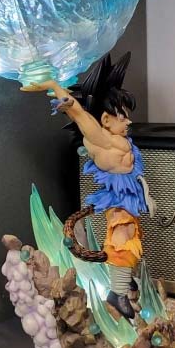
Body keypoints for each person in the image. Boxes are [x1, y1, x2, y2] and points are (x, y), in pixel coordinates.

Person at [21, 53, 155, 319]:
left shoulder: (121, 140)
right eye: (122, 116)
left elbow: (135, 173)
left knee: (132, 237)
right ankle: (117, 294)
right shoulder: (100, 137)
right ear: (106, 119)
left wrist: (146, 194)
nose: (128, 121)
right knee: (122, 240)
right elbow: (79, 113)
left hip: (131, 198)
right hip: (117, 200)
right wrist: (55, 86)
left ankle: (123, 280)